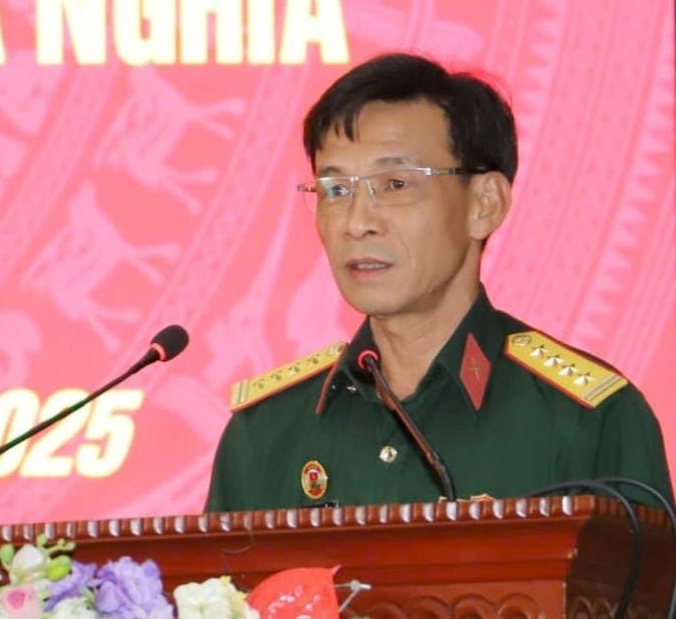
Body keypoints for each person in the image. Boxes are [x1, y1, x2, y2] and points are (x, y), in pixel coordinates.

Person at [206, 53, 673, 511]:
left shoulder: (585, 421)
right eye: (336, 190)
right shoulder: (267, 430)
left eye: (395, 184)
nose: (357, 223)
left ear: (484, 204)